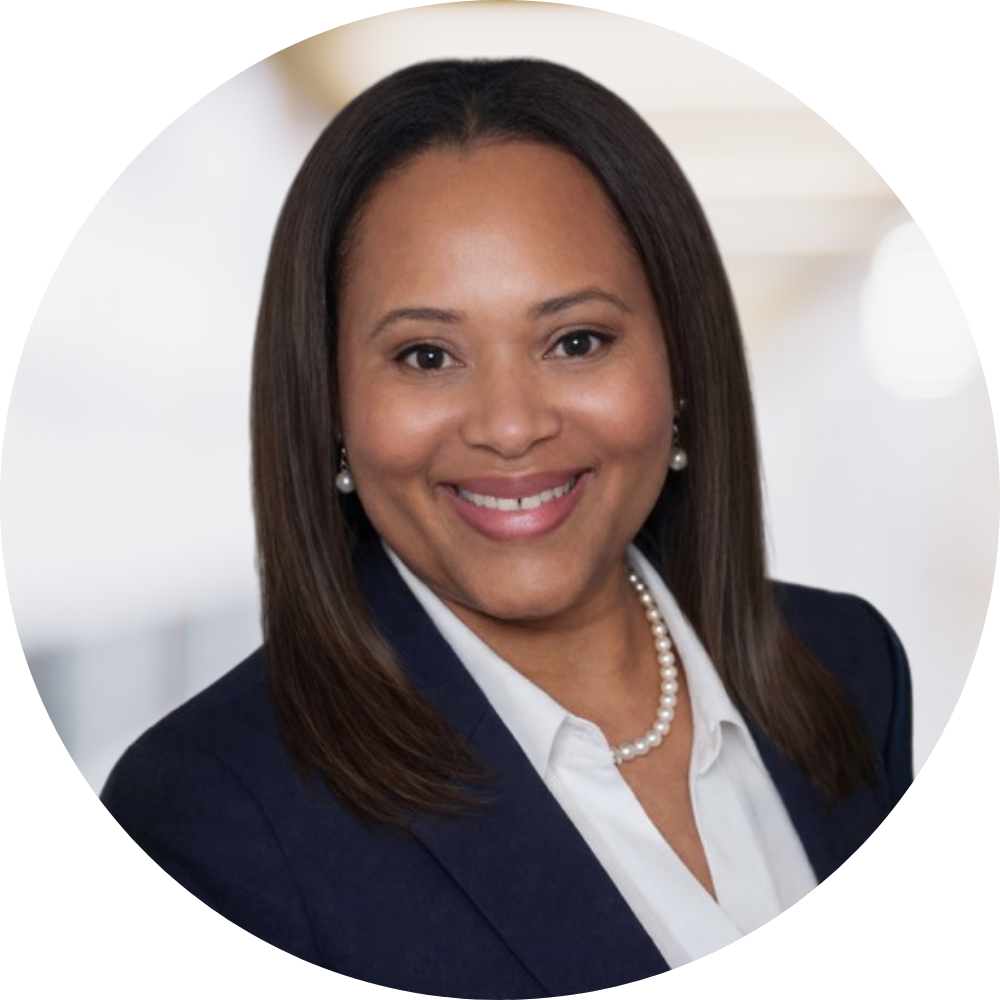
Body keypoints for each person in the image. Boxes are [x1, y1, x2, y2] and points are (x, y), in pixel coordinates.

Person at [101, 58, 912, 999]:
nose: (511, 424)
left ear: (682, 363)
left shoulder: (851, 664)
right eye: (427, 354)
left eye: (576, 341)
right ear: (328, 403)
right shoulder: (207, 816)